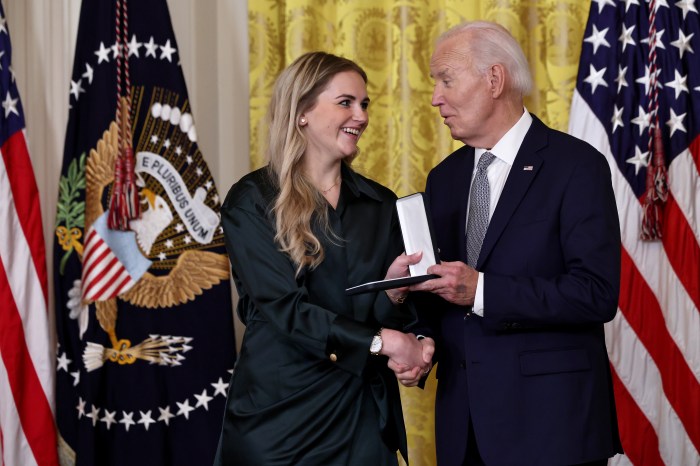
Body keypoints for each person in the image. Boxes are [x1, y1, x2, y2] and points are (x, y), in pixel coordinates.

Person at [397, 21, 624, 465]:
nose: (435, 98)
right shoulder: (443, 180)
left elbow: (596, 294)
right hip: (465, 430)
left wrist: (482, 290)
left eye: (446, 79)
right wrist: (421, 336)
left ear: (494, 79)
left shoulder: (576, 166)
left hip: (551, 430)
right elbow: (444, 296)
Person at [213, 51, 433, 466]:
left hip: (363, 418)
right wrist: (383, 341)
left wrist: (397, 295)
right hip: (282, 422)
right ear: (302, 114)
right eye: (346, 102)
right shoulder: (252, 201)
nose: (362, 115)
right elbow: (286, 309)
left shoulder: (382, 203)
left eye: (364, 103)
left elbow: (391, 315)